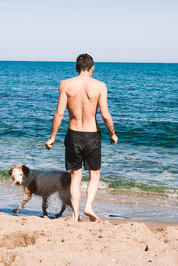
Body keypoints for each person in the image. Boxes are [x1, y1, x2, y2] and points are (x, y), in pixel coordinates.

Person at [45, 53, 118, 221]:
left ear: (76, 68)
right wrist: (113, 133)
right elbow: (105, 115)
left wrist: (52, 137)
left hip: (73, 134)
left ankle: (76, 213)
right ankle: (88, 207)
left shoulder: (66, 84)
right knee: (95, 174)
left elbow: (59, 113)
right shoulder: (100, 86)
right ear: (92, 68)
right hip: (92, 135)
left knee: (75, 176)